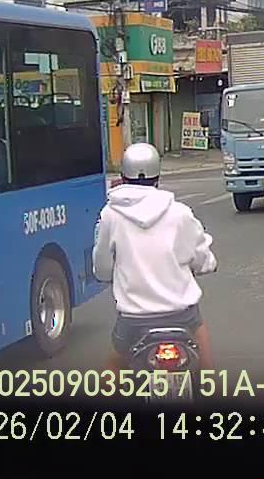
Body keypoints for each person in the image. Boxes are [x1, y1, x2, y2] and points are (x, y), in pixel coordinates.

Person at [93, 142, 218, 371]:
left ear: (123, 177)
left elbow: (102, 268)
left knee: (111, 373)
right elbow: (202, 257)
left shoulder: (110, 215)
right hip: (182, 316)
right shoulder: (180, 213)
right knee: (206, 367)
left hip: (133, 320)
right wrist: (207, 264)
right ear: (157, 177)